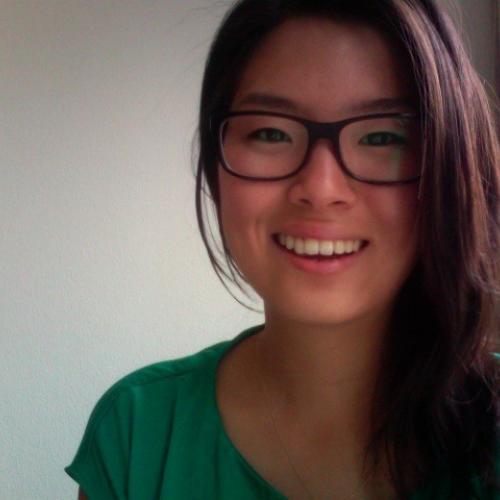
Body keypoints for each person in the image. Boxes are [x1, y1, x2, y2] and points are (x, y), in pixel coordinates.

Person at [66, 0, 499, 498]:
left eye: (382, 136)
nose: (320, 188)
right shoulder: (137, 436)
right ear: (215, 165)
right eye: (271, 132)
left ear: (450, 167)